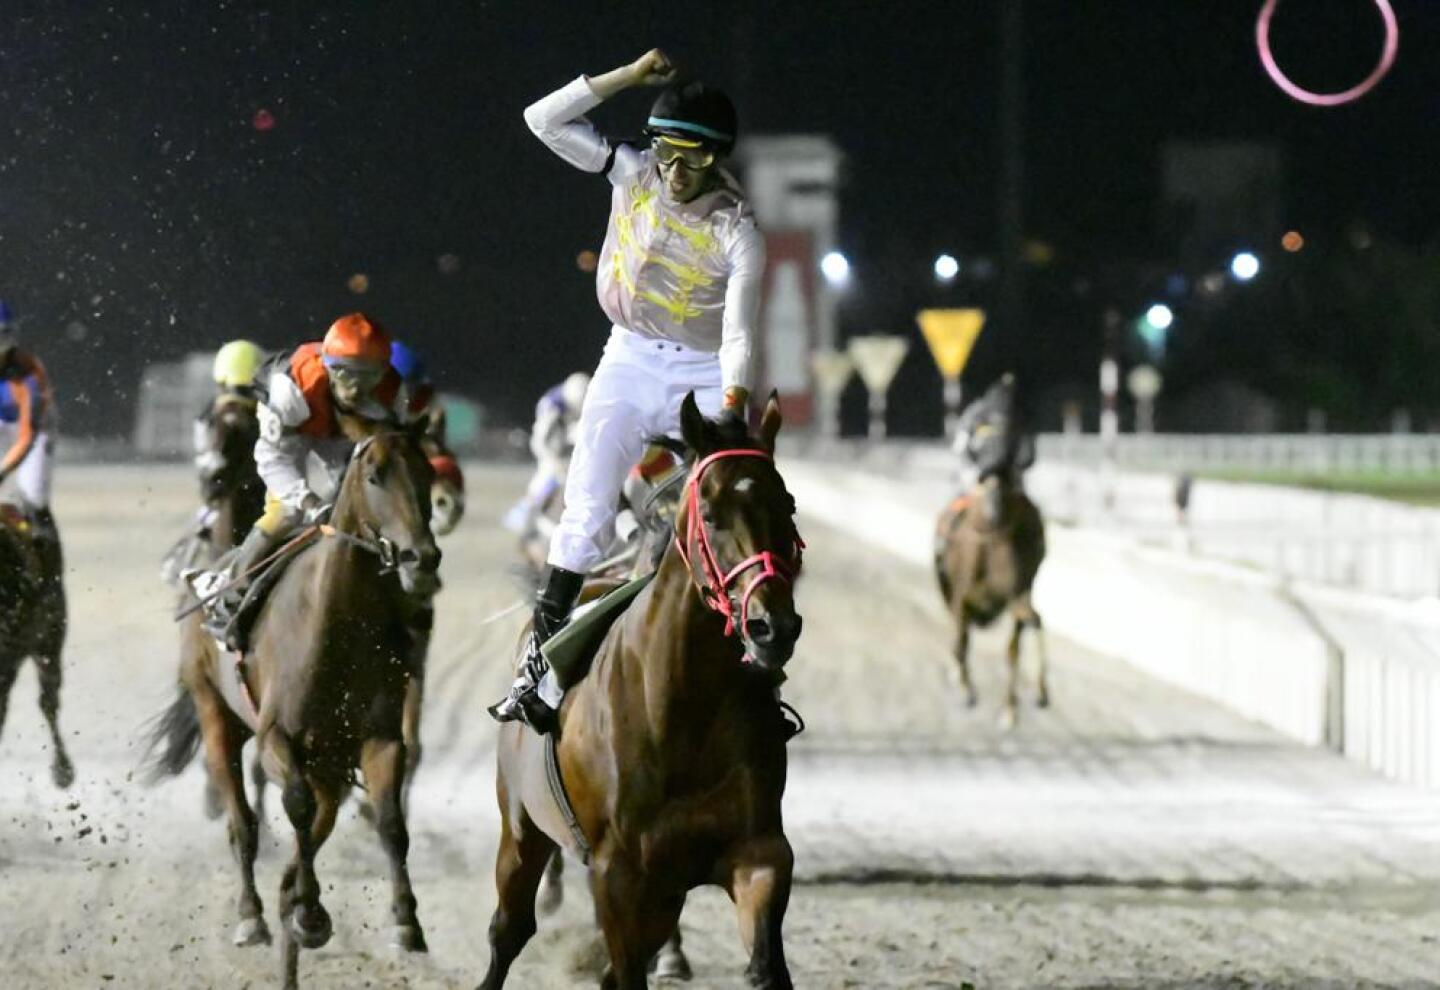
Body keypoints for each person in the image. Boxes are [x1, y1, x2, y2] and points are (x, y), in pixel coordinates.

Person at [489, 48, 765, 731]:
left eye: (694, 160)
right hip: (629, 359)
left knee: (738, 507)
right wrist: (625, 79)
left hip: (703, 374)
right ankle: (539, 674)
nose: (675, 172)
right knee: (582, 513)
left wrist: (732, 408)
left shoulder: (740, 228)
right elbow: (541, 121)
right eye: (668, 151)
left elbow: (738, 334)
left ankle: (759, 678)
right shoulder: (631, 171)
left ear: (719, 160)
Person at [189, 313, 400, 636]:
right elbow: (273, 459)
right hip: (293, 429)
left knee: (361, 503)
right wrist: (308, 499)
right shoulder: (292, 387)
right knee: (285, 511)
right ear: (329, 367)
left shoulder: (392, 392)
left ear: (383, 374)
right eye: (346, 375)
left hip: (338, 429)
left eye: (368, 377)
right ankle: (230, 594)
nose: (357, 389)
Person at [160, 339, 268, 586]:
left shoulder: (209, 416)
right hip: (254, 496)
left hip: (229, 497)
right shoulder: (263, 413)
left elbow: (210, 472)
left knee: (186, 555)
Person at [0, 301, 62, 574]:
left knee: (34, 498)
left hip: (33, 431)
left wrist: (1, 472)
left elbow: (26, 436)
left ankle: (47, 569)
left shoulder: (28, 376)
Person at [502, 372, 590, 536]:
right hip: (553, 451)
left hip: (568, 448)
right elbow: (539, 443)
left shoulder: (580, 399)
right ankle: (529, 517)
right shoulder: (551, 407)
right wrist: (554, 461)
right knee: (546, 484)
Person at [952, 373, 1035, 495]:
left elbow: (1027, 452)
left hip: (1008, 473)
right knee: (963, 498)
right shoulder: (975, 414)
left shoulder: (1018, 417)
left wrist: (1018, 468)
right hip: (977, 470)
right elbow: (960, 444)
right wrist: (971, 466)